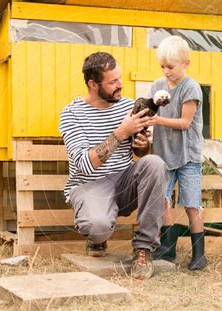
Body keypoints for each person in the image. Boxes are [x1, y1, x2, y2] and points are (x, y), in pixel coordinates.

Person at [59, 52, 168, 280]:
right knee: (98, 228)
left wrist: (141, 144)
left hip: (124, 181)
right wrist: (121, 132)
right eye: (112, 82)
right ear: (93, 84)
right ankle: (97, 236)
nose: (120, 85)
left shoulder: (128, 106)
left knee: (154, 163)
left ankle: (143, 249)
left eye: (119, 78)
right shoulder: (72, 115)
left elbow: (139, 152)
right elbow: (85, 166)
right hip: (91, 185)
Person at [147, 35, 207, 270]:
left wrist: (158, 119)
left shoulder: (191, 87)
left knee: (192, 203)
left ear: (186, 63)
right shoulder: (156, 86)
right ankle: (167, 249)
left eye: (170, 67)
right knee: (162, 201)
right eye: (162, 66)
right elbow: (150, 113)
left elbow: (184, 123)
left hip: (188, 155)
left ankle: (199, 255)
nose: (166, 71)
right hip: (163, 153)